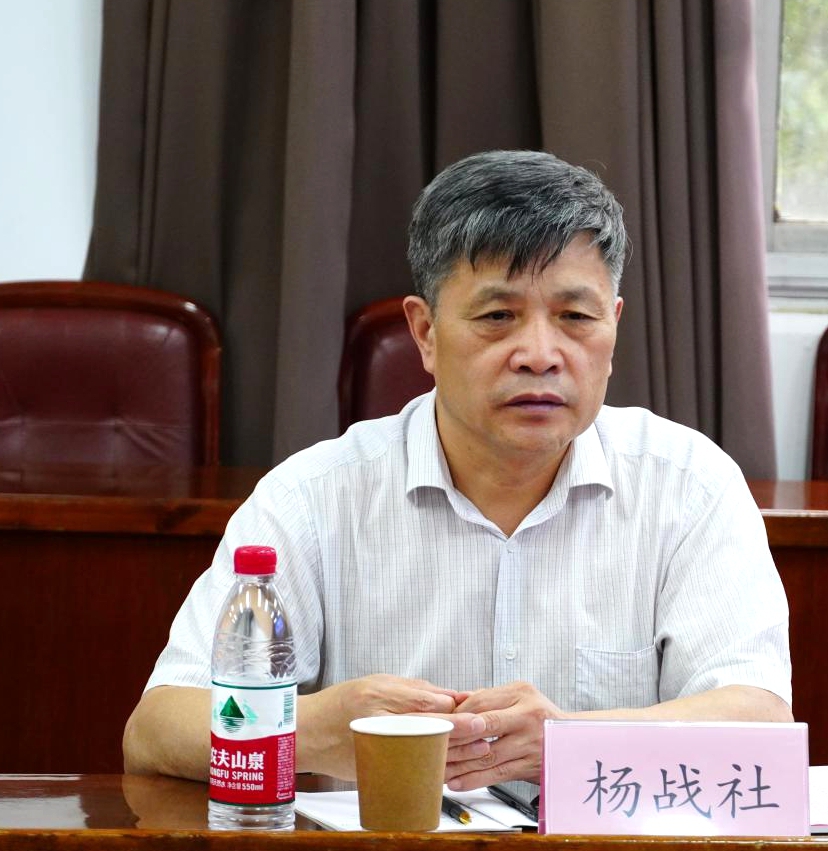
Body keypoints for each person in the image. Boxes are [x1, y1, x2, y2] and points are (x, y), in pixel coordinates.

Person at [124, 150, 792, 790]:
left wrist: (571, 742)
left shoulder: (689, 487)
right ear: (425, 332)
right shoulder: (313, 497)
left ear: (612, 326)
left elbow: (760, 721)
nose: (539, 354)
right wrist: (312, 729)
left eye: (574, 316)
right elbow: (155, 731)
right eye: (498, 316)